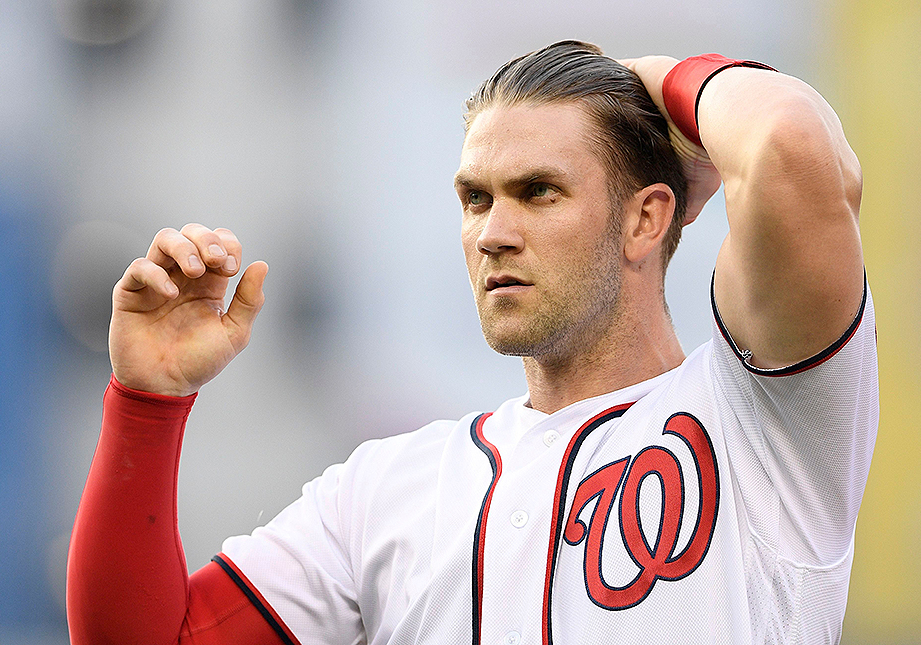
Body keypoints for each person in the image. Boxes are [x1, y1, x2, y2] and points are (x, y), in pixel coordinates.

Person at [66, 41, 877, 644]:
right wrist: (148, 400)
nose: (494, 232)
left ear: (647, 217)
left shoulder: (762, 418)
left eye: (538, 192)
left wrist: (653, 74)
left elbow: (793, 150)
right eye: (474, 198)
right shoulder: (386, 490)